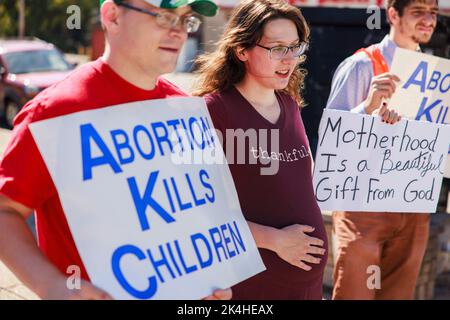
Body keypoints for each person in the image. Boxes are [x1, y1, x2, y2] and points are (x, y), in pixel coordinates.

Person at [0, 0, 231, 300]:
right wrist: (52, 285)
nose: (178, 32)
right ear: (113, 16)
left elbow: (192, 214)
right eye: (163, 17)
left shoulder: (184, 108)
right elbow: (5, 212)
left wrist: (205, 281)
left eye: (185, 20)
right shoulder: (58, 110)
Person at [193, 0, 328, 300]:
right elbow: (196, 212)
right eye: (277, 47)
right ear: (242, 50)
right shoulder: (213, 112)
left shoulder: (289, 105)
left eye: (295, 47)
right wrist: (274, 240)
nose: (289, 58)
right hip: (250, 287)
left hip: (306, 288)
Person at [325, 0, 439, 300]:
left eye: (433, 13)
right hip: (363, 207)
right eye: (418, 12)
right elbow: (330, 139)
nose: (428, 20)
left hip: (414, 209)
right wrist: (367, 109)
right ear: (393, 14)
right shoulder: (363, 65)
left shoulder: (436, 76)